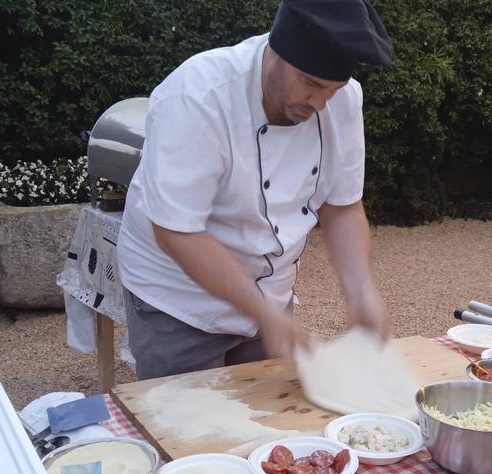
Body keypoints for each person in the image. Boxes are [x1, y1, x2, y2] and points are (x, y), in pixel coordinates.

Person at [117, 0, 393, 380]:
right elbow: (177, 231)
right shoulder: (198, 96)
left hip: (270, 294)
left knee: (267, 424)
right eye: (310, 84)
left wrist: (360, 289)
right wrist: (264, 314)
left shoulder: (342, 102)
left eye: (333, 89)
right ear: (276, 52)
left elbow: (342, 206)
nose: (319, 103)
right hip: (179, 299)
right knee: (187, 430)